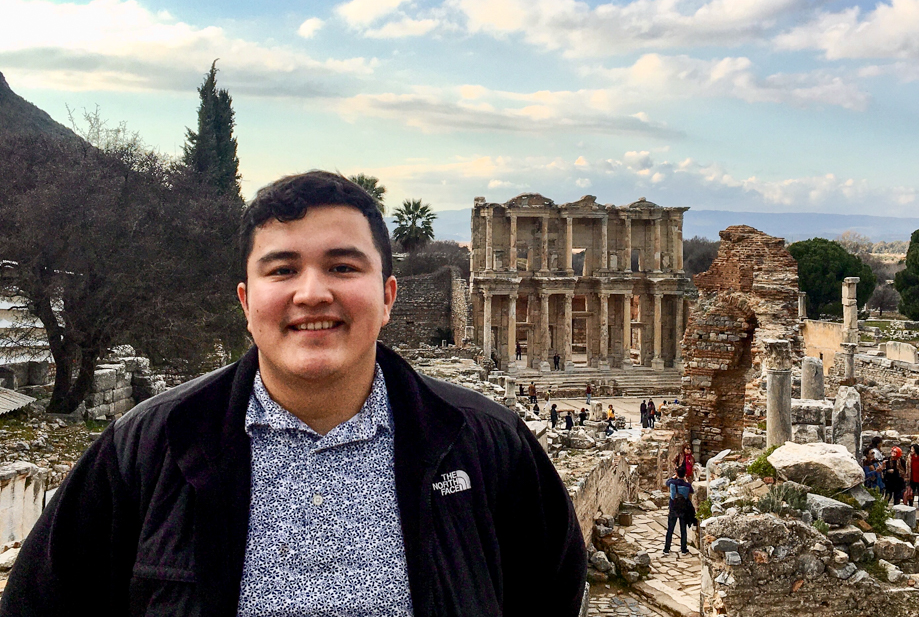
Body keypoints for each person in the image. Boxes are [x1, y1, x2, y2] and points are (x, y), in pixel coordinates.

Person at [0, 171, 587, 617]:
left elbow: (553, 588)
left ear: (387, 297)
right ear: (245, 302)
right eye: (282, 270)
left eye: (343, 267)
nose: (313, 293)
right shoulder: (145, 450)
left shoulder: (487, 444)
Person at [663, 467, 693, 555]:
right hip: (683, 509)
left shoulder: (672, 483)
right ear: (685, 474)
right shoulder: (687, 485)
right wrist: (686, 481)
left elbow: (667, 482)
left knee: (670, 529)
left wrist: (674, 477)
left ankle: (666, 549)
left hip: (673, 508)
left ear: (677, 474)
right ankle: (683, 549)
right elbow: (692, 491)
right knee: (683, 530)